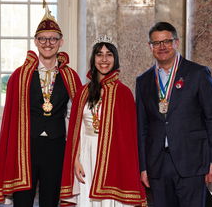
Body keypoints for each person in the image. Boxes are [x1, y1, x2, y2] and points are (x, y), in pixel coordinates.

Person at [0, 0, 82, 207]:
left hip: (57, 146)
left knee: (50, 201)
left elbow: (78, 114)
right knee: (23, 201)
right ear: (35, 41)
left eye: (53, 39)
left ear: (61, 42)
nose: (48, 43)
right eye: (43, 39)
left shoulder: (70, 76)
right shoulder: (19, 76)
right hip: (26, 147)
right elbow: (11, 119)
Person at [136, 21, 212, 207]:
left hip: (192, 163)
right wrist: (143, 167)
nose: (162, 47)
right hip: (157, 166)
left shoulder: (198, 73)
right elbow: (142, 128)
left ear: (176, 42)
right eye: (156, 43)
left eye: (167, 41)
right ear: (150, 47)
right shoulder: (143, 81)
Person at [60, 36, 147, 207]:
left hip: (113, 157)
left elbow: (129, 138)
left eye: (109, 55)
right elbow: (76, 130)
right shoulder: (83, 92)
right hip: (86, 154)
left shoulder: (124, 93)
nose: (104, 59)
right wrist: (75, 159)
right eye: (99, 55)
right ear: (93, 59)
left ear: (115, 59)